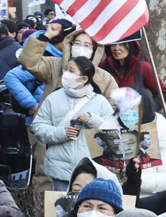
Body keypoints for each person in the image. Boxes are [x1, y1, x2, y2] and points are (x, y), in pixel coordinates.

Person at [31, 58, 117, 192]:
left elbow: (113, 132)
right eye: (66, 69)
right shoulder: (53, 98)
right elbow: (38, 127)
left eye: (71, 71)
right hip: (59, 170)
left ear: (83, 79)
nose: (65, 73)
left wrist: (92, 119)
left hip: (90, 171)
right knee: (62, 210)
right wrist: (62, 133)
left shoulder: (100, 101)